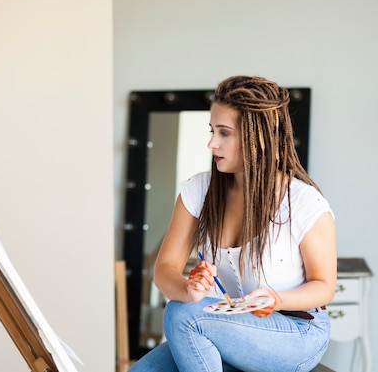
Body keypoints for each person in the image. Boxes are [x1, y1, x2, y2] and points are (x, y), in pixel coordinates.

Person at [128, 75, 336, 372]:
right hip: (236, 326)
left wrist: (276, 299)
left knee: (183, 316)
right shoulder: (197, 191)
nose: (212, 143)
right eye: (212, 131)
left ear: (260, 137)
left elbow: (324, 287)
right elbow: (164, 271)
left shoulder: (303, 202)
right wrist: (188, 289)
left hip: (298, 332)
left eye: (224, 133)